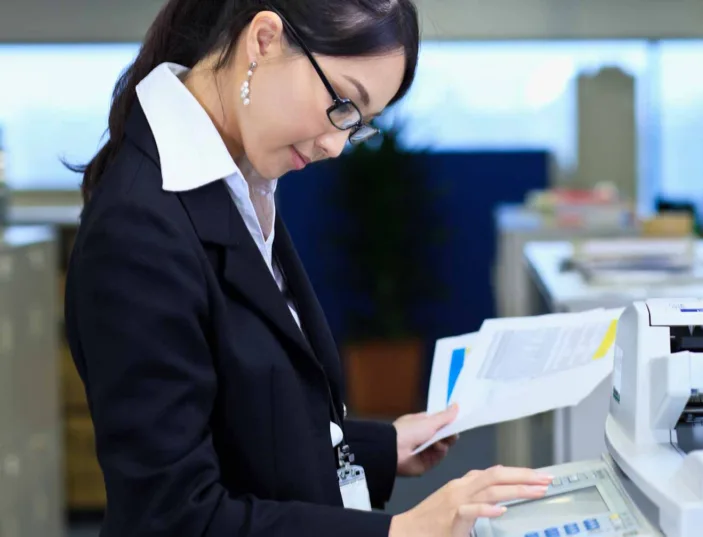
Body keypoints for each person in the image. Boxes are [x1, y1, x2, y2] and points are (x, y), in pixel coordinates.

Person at [63, 1, 553, 535]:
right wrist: (401, 531)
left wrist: (379, 446)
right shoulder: (138, 231)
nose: (337, 145)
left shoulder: (240, 175)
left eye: (359, 125)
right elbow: (176, 517)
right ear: (264, 40)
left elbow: (245, 419)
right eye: (342, 103)